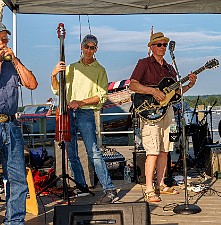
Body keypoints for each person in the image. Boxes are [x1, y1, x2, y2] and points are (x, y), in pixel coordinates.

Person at [129, 32, 197, 202]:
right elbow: (133, 84)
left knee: (165, 150)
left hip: (168, 112)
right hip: (149, 111)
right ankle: (149, 188)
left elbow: (176, 94)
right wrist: (153, 91)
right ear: (151, 47)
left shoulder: (169, 68)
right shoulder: (144, 63)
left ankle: (160, 184)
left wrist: (189, 84)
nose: (162, 48)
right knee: (152, 151)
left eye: (164, 45)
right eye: (158, 44)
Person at [51, 34, 119, 203]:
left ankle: (109, 188)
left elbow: (101, 96)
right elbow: (58, 91)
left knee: (93, 152)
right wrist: (53, 76)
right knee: (71, 152)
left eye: (92, 47)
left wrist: (80, 102)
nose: (89, 50)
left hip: (86, 113)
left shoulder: (100, 70)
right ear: (81, 47)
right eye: (86, 46)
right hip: (68, 113)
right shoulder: (71, 67)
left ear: (96, 49)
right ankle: (81, 187)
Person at [0, 22, 38, 224]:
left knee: (17, 177)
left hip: (11, 125)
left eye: (5, 39)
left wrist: (14, 60)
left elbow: (32, 84)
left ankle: (14, 221)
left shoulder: (13, 62)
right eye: (0, 39)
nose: (3, 43)